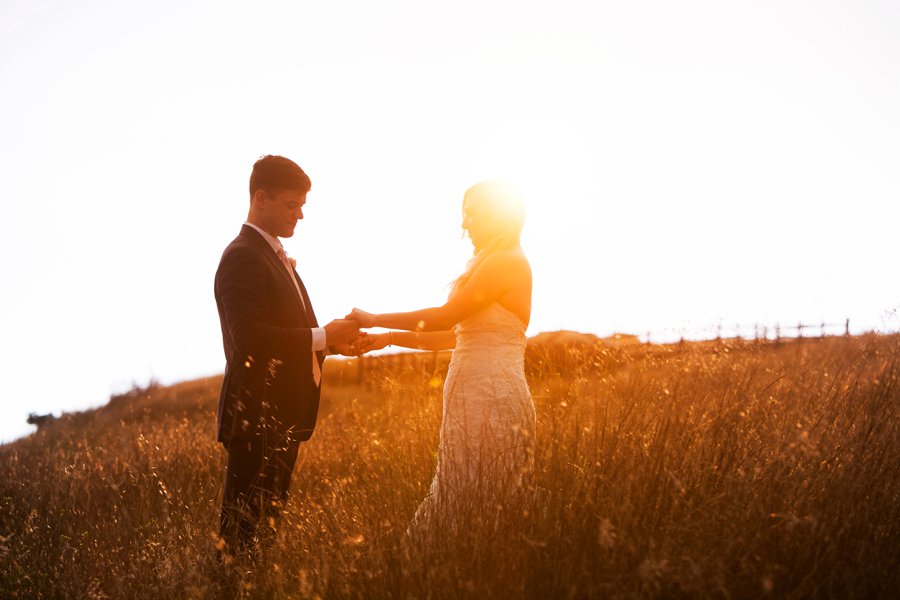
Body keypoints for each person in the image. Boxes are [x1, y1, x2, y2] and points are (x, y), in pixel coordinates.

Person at [348, 180, 535, 539]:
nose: (465, 224)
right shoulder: (488, 261)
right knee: (460, 486)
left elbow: (444, 317)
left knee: (486, 494)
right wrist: (387, 339)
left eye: (473, 213)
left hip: (493, 396)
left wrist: (375, 318)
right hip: (469, 396)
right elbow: (454, 335)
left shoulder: (506, 263)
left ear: (500, 215)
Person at [214, 155, 360, 560]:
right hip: (257, 417)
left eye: (302, 206)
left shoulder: (272, 256)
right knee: (239, 541)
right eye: (292, 205)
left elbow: (287, 334)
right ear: (261, 198)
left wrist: (333, 342)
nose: (300, 215)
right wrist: (322, 335)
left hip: (281, 418)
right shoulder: (243, 255)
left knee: (263, 541)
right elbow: (250, 339)